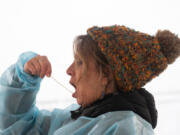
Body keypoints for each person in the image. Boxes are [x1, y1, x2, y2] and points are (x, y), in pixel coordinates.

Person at [0, 25, 180, 135]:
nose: (69, 71)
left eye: (80, 62)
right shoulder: (84, 119)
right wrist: (22, 79)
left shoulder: (126, 130)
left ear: (106, 74)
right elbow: (19, 129)